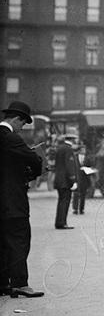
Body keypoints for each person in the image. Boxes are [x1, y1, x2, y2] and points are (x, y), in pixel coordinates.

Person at [1, 101, 45, 297]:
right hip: (13, 201)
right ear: (16, 119)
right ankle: (19, 283)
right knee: (19, 240)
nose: (22, 128)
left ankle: (3, 284)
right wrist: (30, 173)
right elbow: (34, 160)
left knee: (2, 243)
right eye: (23, 123)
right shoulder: (10, 138)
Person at [52, 135, 80, 230]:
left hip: (59, 179)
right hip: (65, 180)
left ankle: (59, 222)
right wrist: (73, 180)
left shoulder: (60, 148)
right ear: (72, 140)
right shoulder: (68, 149)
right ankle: (62, 223)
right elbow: (70, 165)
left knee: (61, 201)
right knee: (65, 201)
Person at [73, 142, 92, 215]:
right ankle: (75, 209)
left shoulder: (87, 158)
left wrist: (88, 169)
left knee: (83, 194)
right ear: (79, 150)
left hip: (84, 178)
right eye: (83, 149)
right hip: (77, 178)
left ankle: (81, 209)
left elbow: (90, 166)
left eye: (85, 149)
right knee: (76, 194)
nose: (84, 151)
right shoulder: (75, 157)